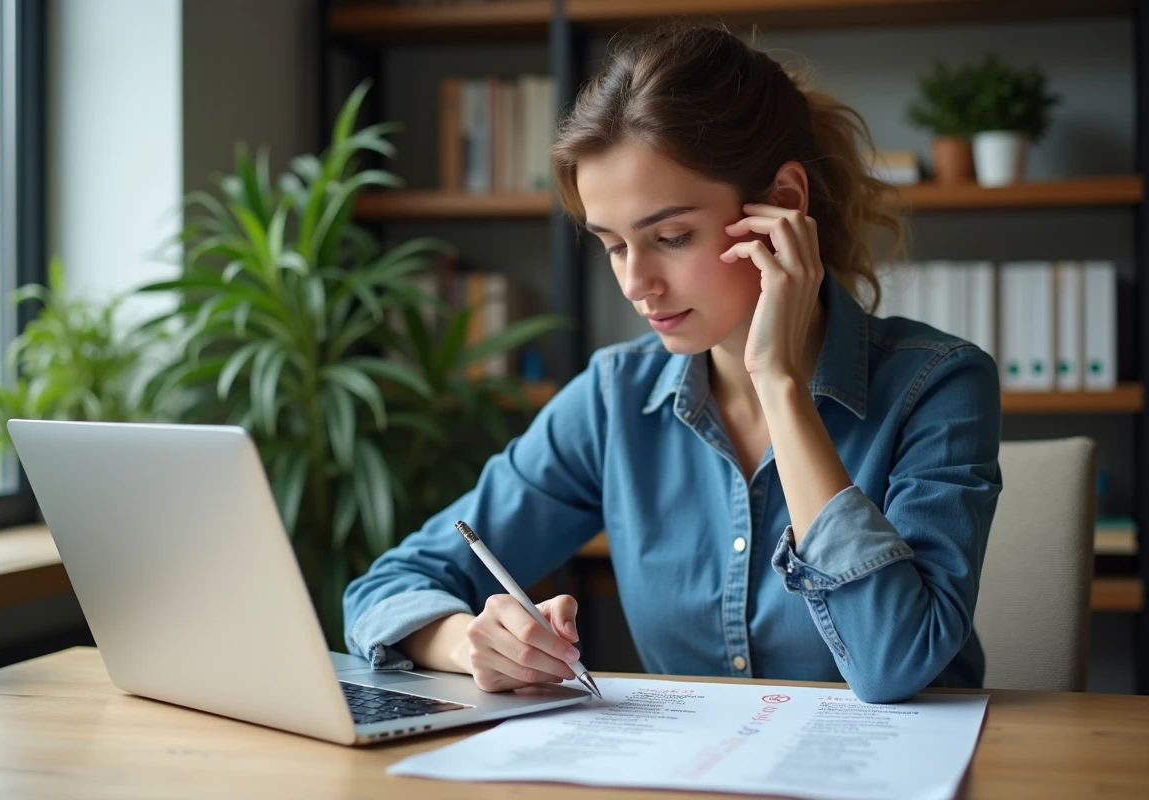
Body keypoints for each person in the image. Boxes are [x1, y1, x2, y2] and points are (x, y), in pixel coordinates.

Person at [342, 24, 1002, 705]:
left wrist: (778, 384)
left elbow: (894, 662)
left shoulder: (940, 385)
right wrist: (471, 642)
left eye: (671, 237)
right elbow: (383, 588)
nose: (635, 284)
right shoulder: (614, 398)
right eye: (614, 245)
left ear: (783, 204)